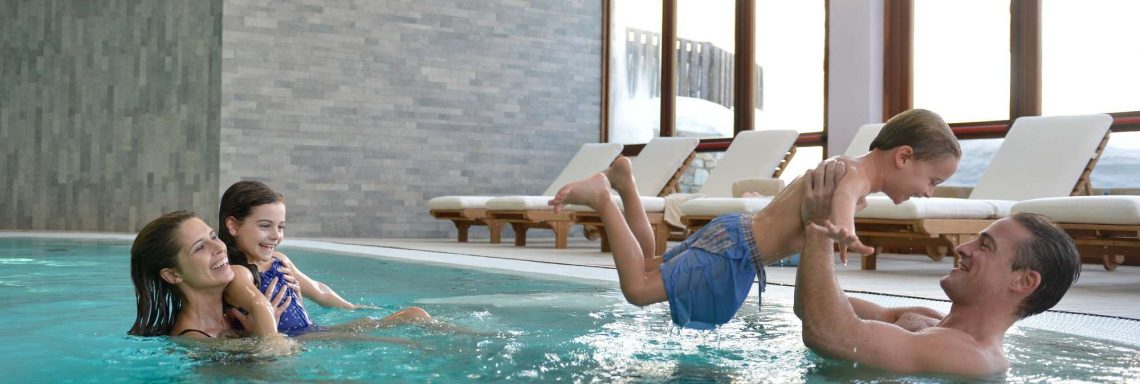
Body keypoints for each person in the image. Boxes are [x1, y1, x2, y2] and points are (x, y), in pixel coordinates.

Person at [547, 109, 961, 329]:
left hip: (734, 238)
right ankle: (604, 197)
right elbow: (846, 195)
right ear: (904, 156)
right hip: (734, 253)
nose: (929, 191)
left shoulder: (845, 167)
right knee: (638, 288)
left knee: (650, 262)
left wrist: (841, 223)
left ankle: (625, 183)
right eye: (932, 180)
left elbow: (845, 198)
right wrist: (843, 232)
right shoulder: (848, 174)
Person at [794, 160, 1081, 377]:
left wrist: (818, 227)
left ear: (1023, 280)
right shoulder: (925, 319)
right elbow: (811, 309)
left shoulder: (974, 358)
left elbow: (830, 334)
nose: (961, 248)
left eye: (985, 246)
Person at [219, 181, 442, 336]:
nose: (276, 235)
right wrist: (273, 343)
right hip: (296, 340)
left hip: (312, 331)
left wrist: (352, 307)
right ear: (233, 226)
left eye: (281, 226)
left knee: (415, 314)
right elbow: (258, 307)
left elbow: (318, 289)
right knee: (403, 336)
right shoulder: (236, 273)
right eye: (265, 226)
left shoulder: (280, 261)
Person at [128, 211, 298, 353]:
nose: (219, 248)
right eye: (200, 247)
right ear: (173, 274)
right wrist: (265, 339)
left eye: (214, 237)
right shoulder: (193, 345)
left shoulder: (237, 312)